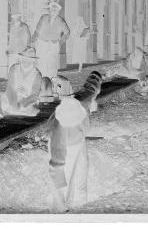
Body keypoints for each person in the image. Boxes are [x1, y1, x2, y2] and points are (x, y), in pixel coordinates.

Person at [48, 72, 101, 212]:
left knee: (81, 177)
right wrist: (60, 205)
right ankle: (62, 210)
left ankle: (81, 208)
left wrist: (95, 77)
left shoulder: (83, 102)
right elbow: (55, 170)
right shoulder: (58, 132)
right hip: (68, 146)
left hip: (78, 140)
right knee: (65, 183)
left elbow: (90, 89)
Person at [0, 47, 43, 116]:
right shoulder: (14, 68)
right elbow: (10, 87)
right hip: (12, 98)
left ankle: (9, 111)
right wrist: (14, 103)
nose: (25, 61)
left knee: (30, 108)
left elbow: (34, 95)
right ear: (20, 58)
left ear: (33, 60)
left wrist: (21, 103)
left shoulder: (37, 74)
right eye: (24, 58)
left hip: (26, 102)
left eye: (29, 59)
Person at [33, 1, 70, 78]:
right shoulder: (44, 18)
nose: (53, 12)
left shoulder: (61, 21)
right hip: (42, 43)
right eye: (52, 10)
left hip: (53, 45)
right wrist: (33, 42)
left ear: (58, 12)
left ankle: (51, 80)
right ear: (49, 10)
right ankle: (40, 80)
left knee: (52, 64)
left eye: (55, 10)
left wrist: (60, 42)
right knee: (41, 62)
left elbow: (67, 32)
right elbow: (37, 31)